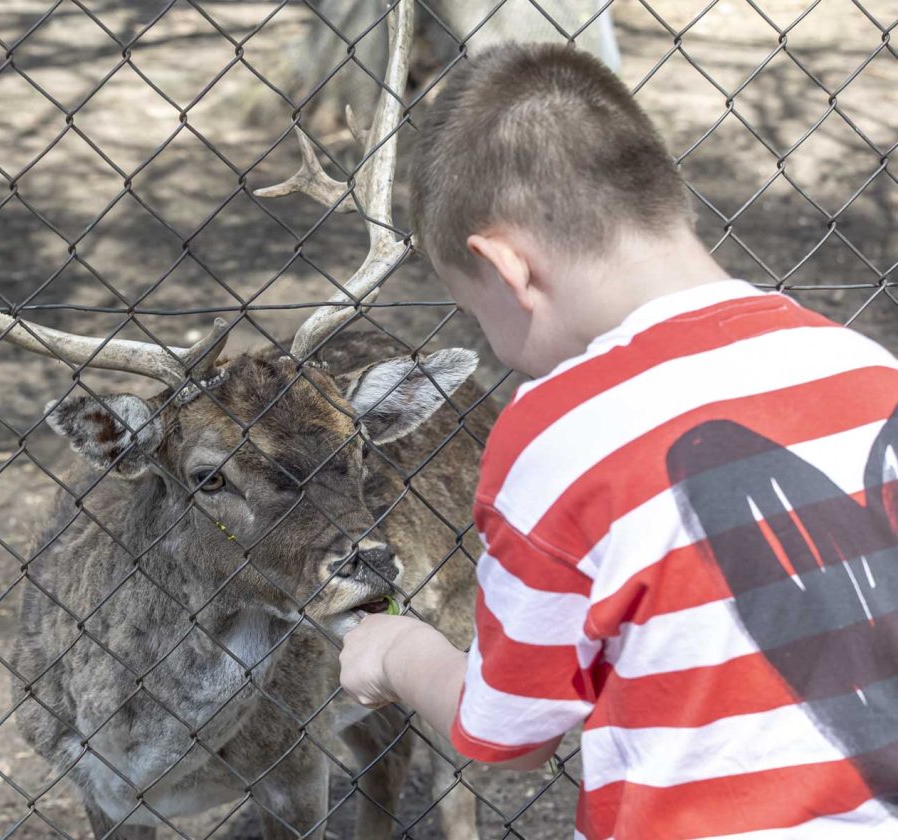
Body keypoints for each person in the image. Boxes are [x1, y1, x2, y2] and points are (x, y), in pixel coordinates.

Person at [339, 41, 898, 837]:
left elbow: (508, 738)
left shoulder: (559, 432)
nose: (493, 346)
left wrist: (397, 653)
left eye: (476, 313)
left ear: (507, 268)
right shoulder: (866, 369)